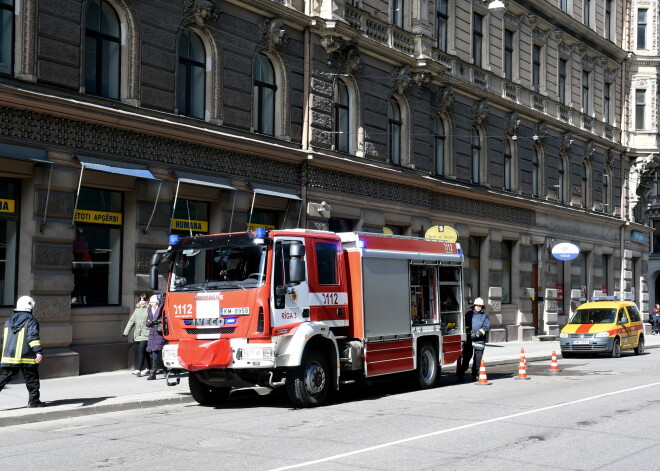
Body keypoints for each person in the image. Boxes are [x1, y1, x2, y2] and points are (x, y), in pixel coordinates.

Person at [0, 296, 45, 407]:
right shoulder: (31, 319)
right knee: (32, 379)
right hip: (26, 356)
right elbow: (32, 337)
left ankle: (34, 401)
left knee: (4, 378)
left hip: (10, 356)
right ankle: (34, 402)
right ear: (29, 306)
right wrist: (38, 351)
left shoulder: (9, 319)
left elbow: (3, 338)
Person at [457, 297, 490, 382]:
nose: (478, 307)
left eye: (480, 306)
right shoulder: (469, 314)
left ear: (482, 307)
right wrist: (468, 332)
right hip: (469, 341)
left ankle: (475, 375)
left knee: (477, 360)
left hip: (479, 342)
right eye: (477, 306)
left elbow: (486, 327)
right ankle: (461, 375)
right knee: (466, 358)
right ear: (474, 306)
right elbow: (465, 325)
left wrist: (477, 334)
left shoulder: (485, 316)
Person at [123, 294, 151, 376]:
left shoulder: (149, 309)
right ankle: (148, 368)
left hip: (146, 334)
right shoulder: (137, 310)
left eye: (144, 300)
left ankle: (138, 369)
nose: (142, 302)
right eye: (141, 300)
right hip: (138, 334)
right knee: (145, 352)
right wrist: (126, 332)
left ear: (147, 301)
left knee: (141, 350)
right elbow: (131, 321)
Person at [145, 295, 166, 380]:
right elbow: (147, 322)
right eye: (150, 303)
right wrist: (151, 322)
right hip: (152, 333)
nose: (151, 304)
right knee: (153, 353)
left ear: (156, 303)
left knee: (155, 352)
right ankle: (166, 370)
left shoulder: (162, 309)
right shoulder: (150, 310)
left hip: (159, 333)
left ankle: (153, 373)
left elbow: (165, 319)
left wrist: (158, 321)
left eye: (152, 303)